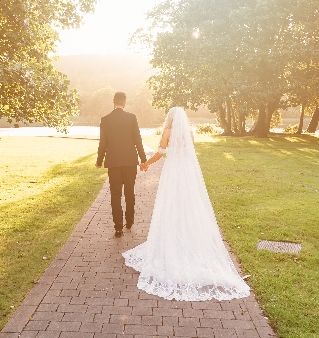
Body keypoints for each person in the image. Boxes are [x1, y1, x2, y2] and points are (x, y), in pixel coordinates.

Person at [123, 107, 251, 301]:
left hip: (173, 173)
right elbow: (189, 154)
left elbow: (161, 153)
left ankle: (172, 237)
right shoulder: (190, 133)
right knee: (188, 205)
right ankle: (189, 236)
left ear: (170, 119)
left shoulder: (167, 132)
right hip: (187, 174)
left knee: (171, 205)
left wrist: (146, 163)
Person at [96, 92, 147, 238]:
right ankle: (129, 221)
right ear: (124, 103)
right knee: (129, 192)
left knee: (115, 194)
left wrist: (99, 161)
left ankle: (118, 227)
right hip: (130, 162)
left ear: (113, 101)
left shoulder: (105, 120)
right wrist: (143, 159)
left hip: (114, 163)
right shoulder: (131, 118)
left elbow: (103, 143)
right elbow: (138, 140)